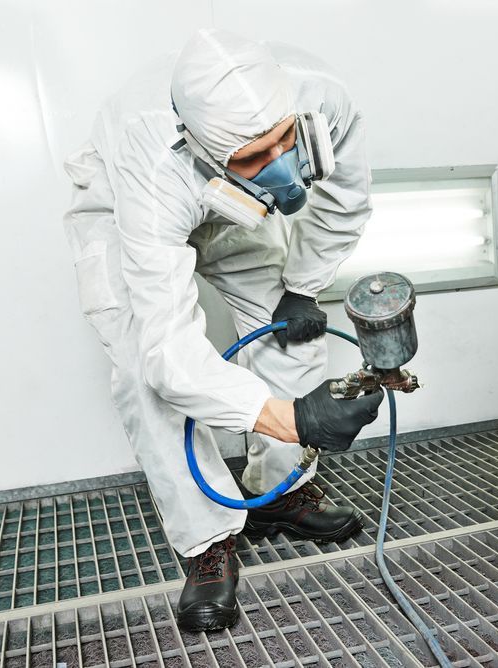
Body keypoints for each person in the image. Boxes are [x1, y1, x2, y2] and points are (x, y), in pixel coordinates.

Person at [62, 28, 380, 632]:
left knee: (289, 332)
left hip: (238, 204)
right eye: (256, 156)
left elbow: (345, 200)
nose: (282, 165)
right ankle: (207, 541)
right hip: (125, 211)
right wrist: (295, 417)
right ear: (201, 146)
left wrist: (304, 286)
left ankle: (280, 490)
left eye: (285, 141)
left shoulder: (322, 98)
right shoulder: (154, 164)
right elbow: (171, 355)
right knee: (141, 369)